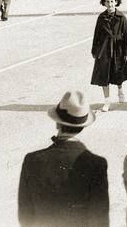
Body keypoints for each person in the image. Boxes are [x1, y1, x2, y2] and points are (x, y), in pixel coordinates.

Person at [18, 90, 108, 227]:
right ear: (82, 127)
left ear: (57, 123)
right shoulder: (96, 164)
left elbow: (25, 216)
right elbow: (100, 220)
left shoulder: (32, 160)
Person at [90, 0, 127, 111]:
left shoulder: (122, 17)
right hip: (104, 49)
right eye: (107, 2)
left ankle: (120, 90)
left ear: (116, 2)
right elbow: (96, 34)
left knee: (118, 74)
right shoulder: (101, 17)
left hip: (118, 49)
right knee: (104, 76)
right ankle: (107, 101)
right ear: (104, 3)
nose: (110, 4)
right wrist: (95, 50)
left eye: (112, 1)